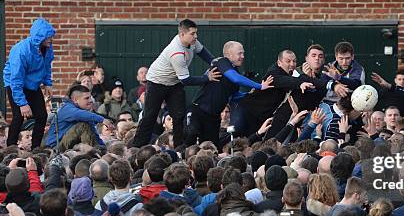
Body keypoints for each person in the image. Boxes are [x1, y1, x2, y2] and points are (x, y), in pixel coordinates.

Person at [131, 19, 217, 148]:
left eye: (196, 33)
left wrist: (215, 63)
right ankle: (136, 148)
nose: (196, 36)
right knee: (150, 116)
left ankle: (179, 149)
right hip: (157, 82)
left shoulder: (192, 42)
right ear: (182, 35)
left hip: (174, 82)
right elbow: (186, 80)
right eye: (192, 34)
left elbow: (203, 52)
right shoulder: (176, 52)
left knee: (179, 116)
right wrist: (207, 78)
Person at [185, 41, 273, 148]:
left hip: (213, 118)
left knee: (212, 147)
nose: (243, 56)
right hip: (198, 111)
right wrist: (259, 86)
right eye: (239, 53)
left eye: (243, 53)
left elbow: (233, 95)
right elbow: (234, 78)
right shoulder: (221, 61)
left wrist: (249, 94)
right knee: (190, 139)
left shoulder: (234, 71)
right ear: (229, 54)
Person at [230, 50, 326, 137]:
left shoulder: (294, 74)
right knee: (234, 133)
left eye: (294, 61)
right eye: (288, 61)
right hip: (246, 109)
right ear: (279, 63)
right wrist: (300, 83)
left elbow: (299, 79)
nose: (292, 64)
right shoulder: (273, 73)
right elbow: (284, 81)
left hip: (261, 117)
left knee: (251, 142)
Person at [3, 18, 55, 150]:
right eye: (48, 37)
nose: (51, 39)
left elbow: (47, 66)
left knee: (42, 115)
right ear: (40, 36)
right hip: (15, 84)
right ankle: (11, 149)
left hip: (33, 84)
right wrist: (22, 103)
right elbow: (16, 79)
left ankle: (36, 148)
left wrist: (47, 83)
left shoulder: (47, 48)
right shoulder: (21, 51)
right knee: (19, 116)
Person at [46, 85, 115, 151]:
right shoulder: (66, 108)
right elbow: (78, 114)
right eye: (86, 98)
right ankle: (92, 155)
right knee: (83, 126)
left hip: (68, 146)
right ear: (75, 100)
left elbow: (94, 137)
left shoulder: (85, 115)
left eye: (90, 97)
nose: (91, 100)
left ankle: (96, 154)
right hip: (54, 148)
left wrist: (104, 149)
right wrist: (102, 119)